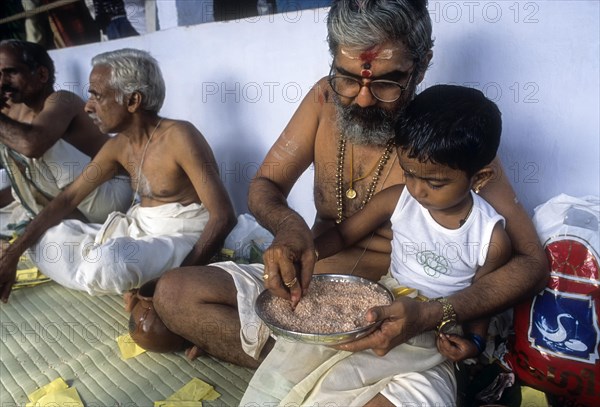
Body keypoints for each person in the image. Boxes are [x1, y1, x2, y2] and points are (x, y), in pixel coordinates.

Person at [153, 1, 547, 404]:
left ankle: (301, 370)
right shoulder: (324, 100)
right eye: (347, 78)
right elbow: (266, 183)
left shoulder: (446, 146)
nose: (361, 99)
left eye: (386, 83)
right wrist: (290, 229)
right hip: (307, 290)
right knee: (174, 294)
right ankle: (309, 370)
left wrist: (433, 316)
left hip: (399, 324)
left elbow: (533, 263)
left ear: (422, 65)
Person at [242, 84, 513, 404]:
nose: (418, 190)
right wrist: (307, 252)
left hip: (435, 322)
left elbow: (482, 299)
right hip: (383, 297)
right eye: (409, 173)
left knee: (355, 376)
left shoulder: (490, 237)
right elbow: (344, 234)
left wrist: (476, 343)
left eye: (435, 183)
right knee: (302, 359)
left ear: (479, 179)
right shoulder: (398, 200)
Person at [0, 48, 236, 304]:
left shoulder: (180, 136)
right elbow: (67, 200)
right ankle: (119, 275)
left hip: (181, 235)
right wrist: (13, 253)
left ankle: (129, 276)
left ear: (133, 101)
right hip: (138, 230)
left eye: (96, 96)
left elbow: (223, 217)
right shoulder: (118, 146)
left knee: (113, 262)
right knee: (46, 240)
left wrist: (177, 285)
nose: (88, 106)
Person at [0, 39, 132, 236]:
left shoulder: (63, 100)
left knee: (26, 142)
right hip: (76, 199)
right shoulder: (16, 111)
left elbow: (32, 145)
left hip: (111, 195)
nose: (2, 82)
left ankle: (55, 221)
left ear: (42, 74)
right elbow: (23, 185)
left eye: (11, 72)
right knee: (11, 142)